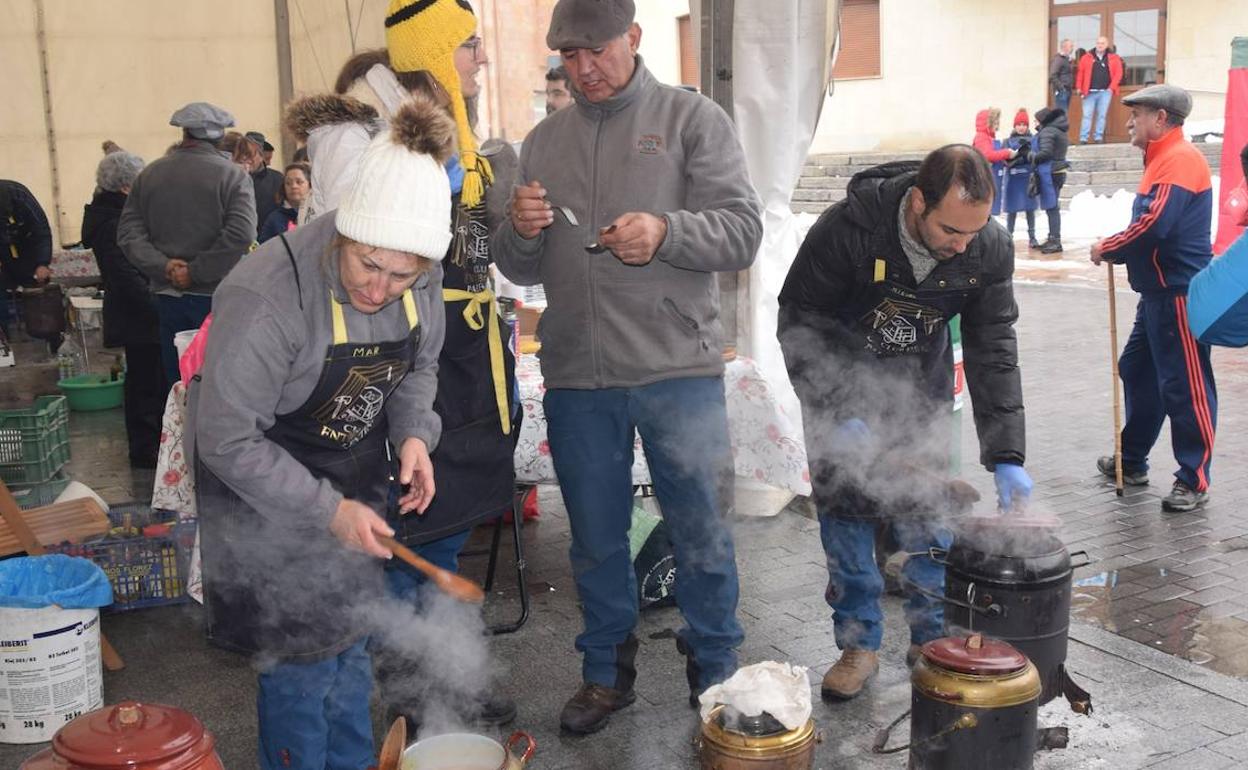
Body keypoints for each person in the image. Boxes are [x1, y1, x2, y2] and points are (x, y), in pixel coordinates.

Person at [494, 0, 762, 735]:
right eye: (568, 58)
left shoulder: (690, 119)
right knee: (596, 538)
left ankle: (716, 668)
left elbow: (742, 230)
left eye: (596, 53)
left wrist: (666, 232)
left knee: (701, 527)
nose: (583, 70)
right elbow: (518, 265)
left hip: (678, 368)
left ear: (634, 39)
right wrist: (516, 231)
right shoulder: (542, 142)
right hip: (580, 373)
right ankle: (605, 673)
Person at [189, 98, 451, 769]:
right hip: (263, 487)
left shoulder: (418, 273)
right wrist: (324, 510)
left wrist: (415, 435)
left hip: (355, 470)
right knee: (303, 666)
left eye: (402, 277)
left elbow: (419, 365)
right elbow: (226, 438)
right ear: (342, 233)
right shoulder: (268, 294)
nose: (381, 289)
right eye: (368, 267)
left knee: (353, 648)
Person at [288, 0, 521, 730]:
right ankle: (409, 691)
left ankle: (450, 673)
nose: (480, 58)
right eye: (470, 44)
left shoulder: (462, 138)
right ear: (433, 43)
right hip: (407, 361)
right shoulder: (359, 139)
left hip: (466, 366)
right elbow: (355, 275)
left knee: (445, 530)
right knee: (398, 537)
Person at [777, 145, 1031, 701]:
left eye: (972, 233)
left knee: (929, 523)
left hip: (920, 395)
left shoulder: (985, 245)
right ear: (918, 202)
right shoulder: (849, 230)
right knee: (846, 524)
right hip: (839, 393)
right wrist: (838, 410)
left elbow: (993, 348)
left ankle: (932, 639)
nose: (961, 246)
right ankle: (858, 645)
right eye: (949, 231)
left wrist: (1007, 454)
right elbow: (800, 321)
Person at [1090, 84, 1216, 513]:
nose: (1129, 120)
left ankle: (1193, 478)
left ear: (1161, 119)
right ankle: (1133, 459)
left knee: (1186, 387)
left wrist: (1109, 246)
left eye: (1138, 113)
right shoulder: (1162, 157)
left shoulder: (1179, 159)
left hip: (1180, 293)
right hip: (1158, 294)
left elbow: (1155, 225)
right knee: (1138, 371)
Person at [117, 102, 256, 387]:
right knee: (220, 380)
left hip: (168, 295)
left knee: (179, 382)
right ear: (220, 137)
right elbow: (242, 233)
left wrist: (164, 267)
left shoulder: (150, 174)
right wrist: (197, 271)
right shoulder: (232, 175)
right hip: (217, 294)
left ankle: (181, 430)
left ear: (185, 133)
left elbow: (129, 233)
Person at [82, 151, 166, 468]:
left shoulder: (115, 215)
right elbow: (125, 274)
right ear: (126, 187)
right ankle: (146, 450)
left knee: (147, 381)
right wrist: (156, 304)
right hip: (139, 314)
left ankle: (149, 445)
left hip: (138, 311)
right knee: (145, 384)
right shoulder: (114, 221)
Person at [0, 180, 53, 334]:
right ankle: (3, 341)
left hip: (28, 249)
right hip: (3, 253)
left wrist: (42, 263)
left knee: (39, 292)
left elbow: (41, 231)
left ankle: (46, 334)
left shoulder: (19, 194)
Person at [1032, 106, 1071, 254]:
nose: (1034, 123)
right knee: (1051, 207)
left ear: (1042, 120)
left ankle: (1055, 240)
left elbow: (1046, 153)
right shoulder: (1058, 129)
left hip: (1051, 172)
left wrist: (1031, 157)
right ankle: (1052, 237)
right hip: (1058, 171)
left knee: (1052, 207)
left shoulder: (1048, 131)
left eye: (1036, 120)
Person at [1076, 36, 1123, 144]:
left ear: (1106, 45)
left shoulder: (1114, 58)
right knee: (1087, 115)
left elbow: (1118, 74)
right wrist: (1079, 87)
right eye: (1098, 43)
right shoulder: (1086, 57)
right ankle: (1083, 138)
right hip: (1089, 92)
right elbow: (1080, 73)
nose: (1100, 45)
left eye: (1102, 43)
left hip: (1105, 92)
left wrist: (1111, 88)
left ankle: (1098, 137)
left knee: (1101, 115)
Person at [1002, 109, 1038, 249]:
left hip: (1028, 178)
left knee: (1030, 209)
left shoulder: (1034, 139)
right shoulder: (1007, 141)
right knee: (1012, 209)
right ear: (1014, 126)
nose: (1021, 127)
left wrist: (1028, 155)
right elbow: (1004, 158)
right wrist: (1015, 159)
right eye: (1019, 124)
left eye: (1024, 124)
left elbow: (1036, 157)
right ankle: (1009, 236)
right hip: (1013, 179)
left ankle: (1032, 237)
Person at [972, 108, 1014, 216]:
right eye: (994, 123)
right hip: (987, 179)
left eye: (997, 123)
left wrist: (1005, 160)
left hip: (994, 178)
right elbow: (988, 155)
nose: (997, 126)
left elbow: (995, 155)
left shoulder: (991, 138)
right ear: (988, 123)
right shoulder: (982, 137)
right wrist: (1007, 153)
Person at [257, 162, 311, 243]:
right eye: (288, 183)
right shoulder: (274, 219)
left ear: (310, 185)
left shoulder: (318, 213)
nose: (293, 186)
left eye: (299, 182)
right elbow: (263, 249)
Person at [245, 131, 286, 236]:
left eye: (251, 154)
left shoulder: (278, 179)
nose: (246, 159)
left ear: (261, 155)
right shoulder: (231, 179)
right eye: (243, 154)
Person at [1049, 38, 1075, 114]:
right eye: (1071, 46)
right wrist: (1061, 88)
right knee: (1061, 115)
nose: (1072, 48)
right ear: (1065, 47)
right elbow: (1053, 75)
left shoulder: (1067, 59)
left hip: (1067, 90)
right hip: (1062, 91)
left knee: (1063, 114)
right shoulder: (1059, 59)